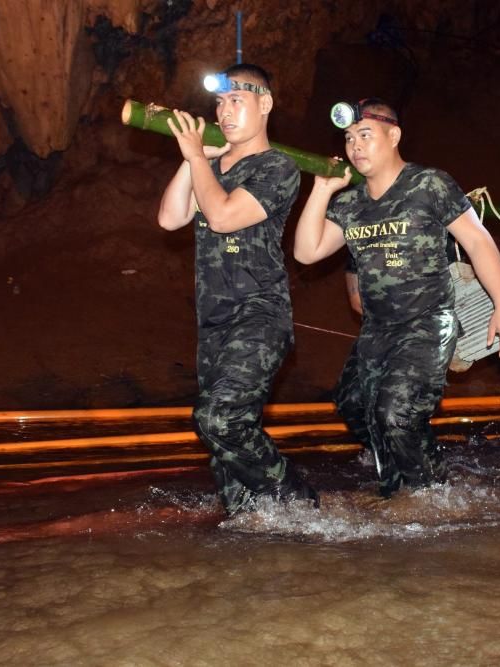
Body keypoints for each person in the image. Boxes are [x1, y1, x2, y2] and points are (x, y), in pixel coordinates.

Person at [294, 98, 500, 497]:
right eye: (348, 138)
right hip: (377, 329)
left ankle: (433, 498)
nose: (355, 146)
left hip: (428, 322)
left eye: (365, 135)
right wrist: (322, 190)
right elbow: (306, 252)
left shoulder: (428, 184)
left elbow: (478, 242)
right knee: (354, 405)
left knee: (396, 414)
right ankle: (399, 487)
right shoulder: (350, 203)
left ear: (393, 135)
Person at [157, 63, 318, 517]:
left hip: (260, 315)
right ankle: (257, 537)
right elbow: (170, 218)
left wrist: (195, 158)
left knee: (218, 418)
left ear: (264, 105)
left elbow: (224, 215)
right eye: (220, 103)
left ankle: (299, 502)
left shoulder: (278, 167)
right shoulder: (207, 165)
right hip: (213, 323)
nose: (225, 112)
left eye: (237, 101)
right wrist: (197, 158)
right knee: (224, 456)